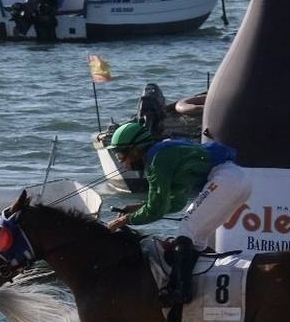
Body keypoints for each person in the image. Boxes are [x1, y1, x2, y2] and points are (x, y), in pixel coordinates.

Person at [105, 123, 251, 305]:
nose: (120, 161)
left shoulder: (157, 159)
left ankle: (182, 292)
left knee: (186, 229)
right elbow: (176, 203)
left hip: (226, 179)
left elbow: (156, 210)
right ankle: (202, 283)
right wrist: (139, 207)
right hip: (238, 181)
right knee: (196, 239)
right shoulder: (162, 154)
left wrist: (125, 220)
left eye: (120, 154)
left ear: (135, 150)